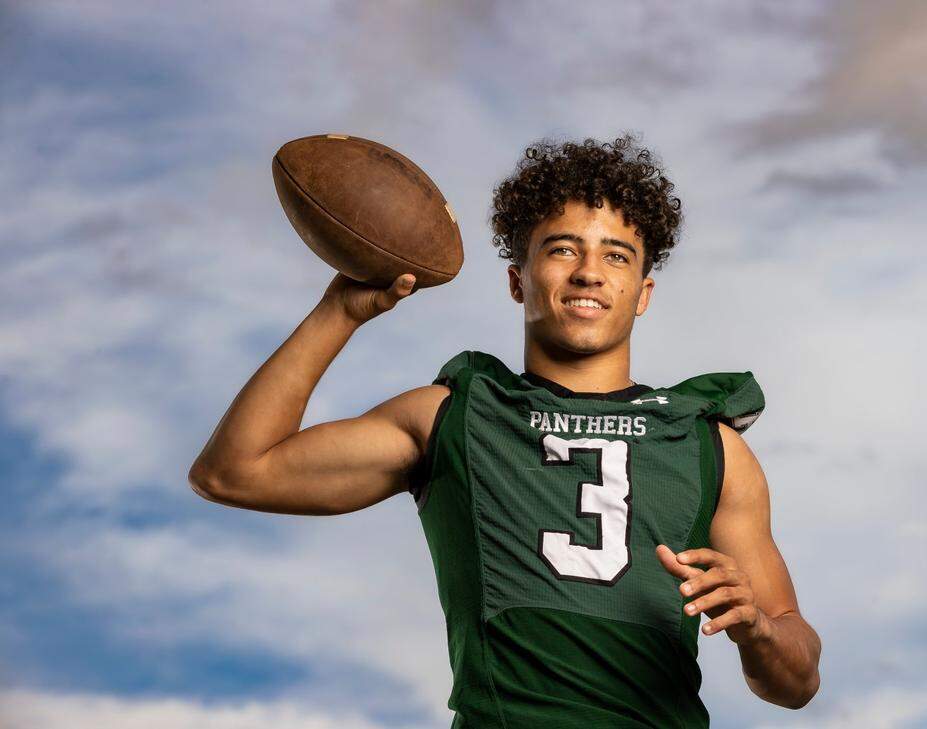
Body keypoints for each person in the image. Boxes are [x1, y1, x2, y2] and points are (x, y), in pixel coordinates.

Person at [188, 133, 821, 727]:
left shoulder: (709, 445)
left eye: (617, 255)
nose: (589, 272)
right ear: (518, 280)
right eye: (563, 248)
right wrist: (342, 310)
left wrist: (758, 630)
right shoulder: (453, 416)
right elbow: (233, 471)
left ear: (643, 292)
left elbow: (798, 682)